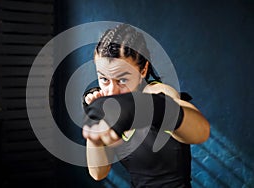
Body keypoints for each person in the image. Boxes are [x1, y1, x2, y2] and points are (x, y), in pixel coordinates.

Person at [82, 23, 210, 188]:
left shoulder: (157, 92)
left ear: (143, 71)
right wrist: (94, 123)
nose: (112, 90)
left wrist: (143, 107)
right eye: (104, 79)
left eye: (122, 80)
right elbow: (98, 173)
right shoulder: (109, 107)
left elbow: (201, 132)